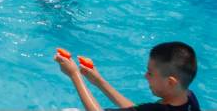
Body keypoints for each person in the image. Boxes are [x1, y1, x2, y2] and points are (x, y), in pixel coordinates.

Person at [54, 42, 201, 111]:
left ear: (170, 82)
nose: (145, 76)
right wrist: (99, 82)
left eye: (150, 73)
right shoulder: (189, 99)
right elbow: (135, 109)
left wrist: (74, 75)